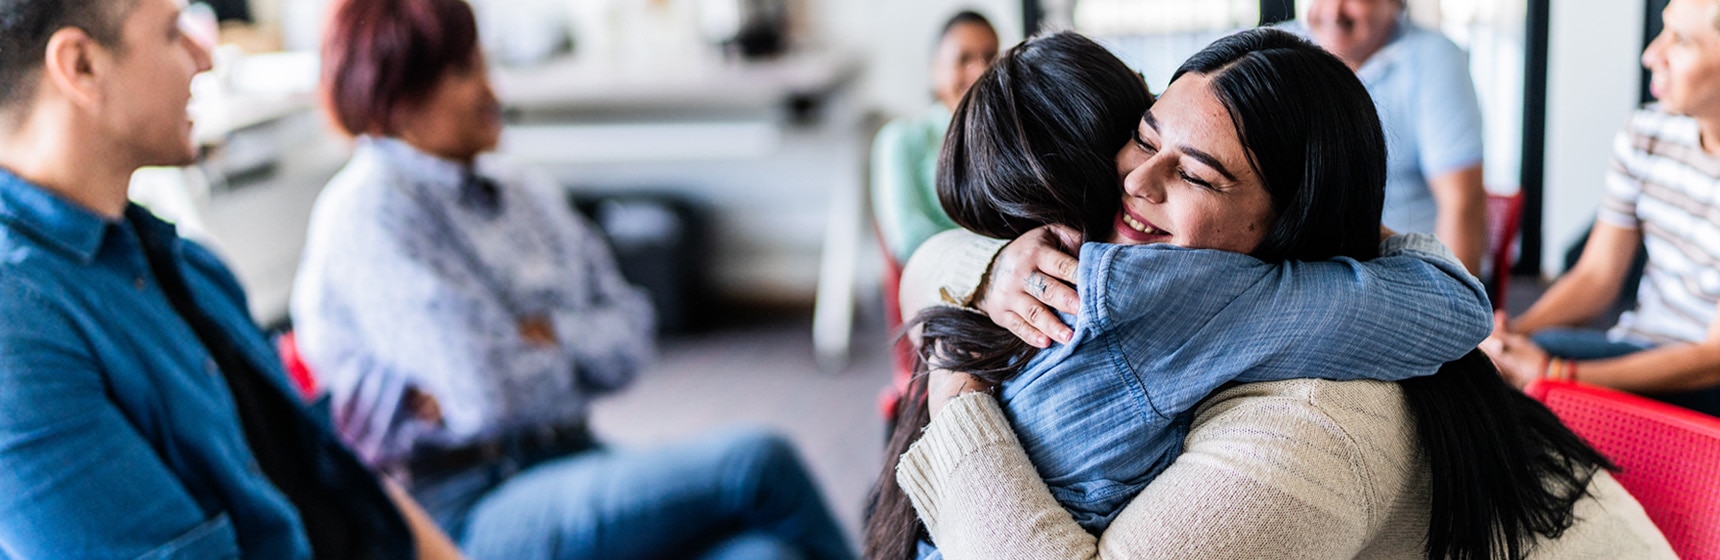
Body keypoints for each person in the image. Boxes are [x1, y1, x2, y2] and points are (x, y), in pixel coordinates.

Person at [889, 29, 1675, 559]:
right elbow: (928, 263)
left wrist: (956, 379)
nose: (1135, 181)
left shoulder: (1312, 419)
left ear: (1288, 228)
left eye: (1195, 174)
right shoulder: (1228, 302)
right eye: (1149, 137)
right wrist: (993, 272)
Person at [291, 0, 854, 558]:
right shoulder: (368, 212)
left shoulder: (523, 191)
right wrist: (557, 352)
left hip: (574, 460)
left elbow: (633, 333)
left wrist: (546, 335)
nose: (494, 91)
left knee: (762, 554)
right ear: (399, 99)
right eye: (465, 72)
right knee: (756, 463)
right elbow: (486, 393)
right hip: (464, 510)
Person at [0, 0, 461, 557]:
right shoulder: (20, 332)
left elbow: (334, 476)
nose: (205, 54)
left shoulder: (182, 262)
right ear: (82, 67)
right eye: (173, 33)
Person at [1482, 0, 1720, 418]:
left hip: (1706, 384)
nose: (1652, 55)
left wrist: (1556, 373)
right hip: (1636, 346)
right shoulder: (1647, 132)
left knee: (1510, 384)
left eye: (1680, 41)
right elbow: (1596, 278)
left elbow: (1712, 360)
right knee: (1492, 361)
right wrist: (1513, 333)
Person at [1288, 0, 1487, 274]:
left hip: (1397, 274)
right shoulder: (1277, 50)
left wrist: (1454, 301)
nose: (1333, 11)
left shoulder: (1435, 57)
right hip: (1298, 269)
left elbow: (1462, 202)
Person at [871, 10, 1000, 264]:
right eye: (963, 59)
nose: (980, 72)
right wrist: (999, 257)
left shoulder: (1010, 139)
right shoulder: (902, 139)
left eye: (990, 57)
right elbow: (909, 240)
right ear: (935, 69)